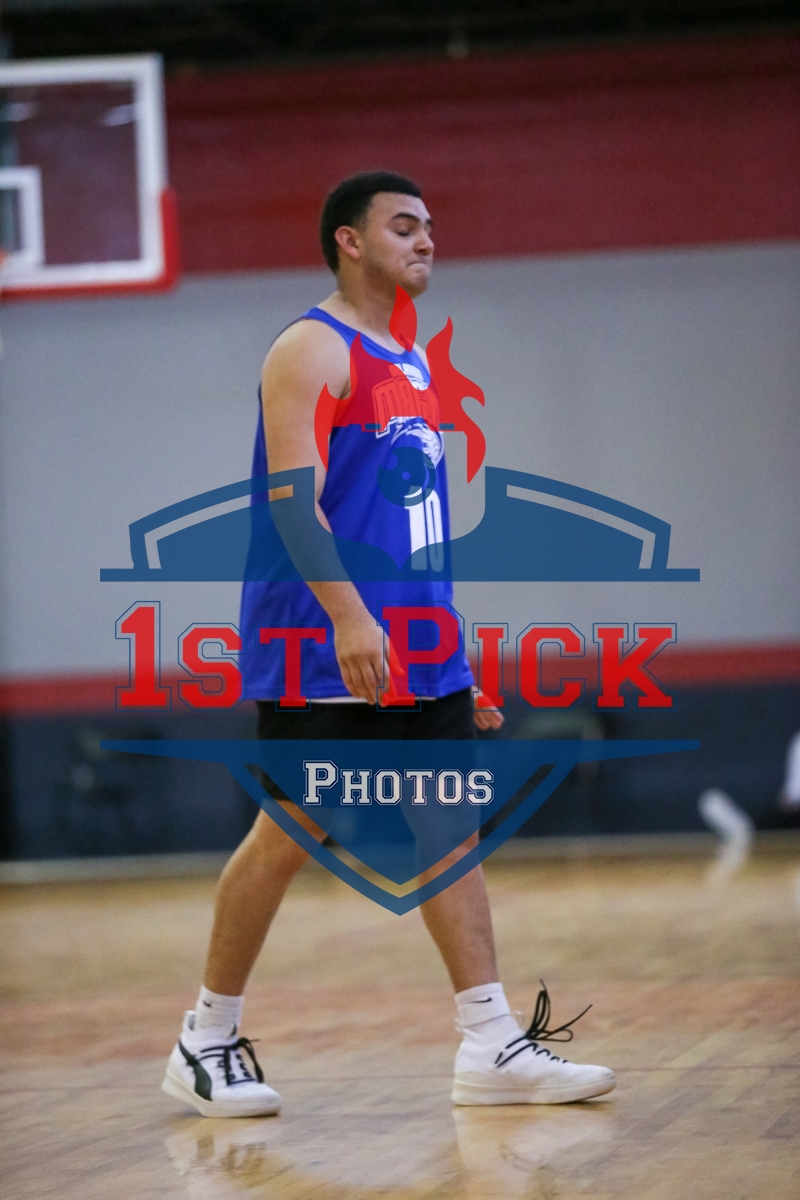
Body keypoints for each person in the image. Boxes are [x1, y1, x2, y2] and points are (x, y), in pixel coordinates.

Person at [162, 171, 615, 1117]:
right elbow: (294, 503)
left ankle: (490, 1043)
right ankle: (205, 1036)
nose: (426, 240)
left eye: (430, 226)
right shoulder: (309, 347)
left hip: (415, 643)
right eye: (404, 226)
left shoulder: (408, 359)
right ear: (349, 240)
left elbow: (411, 522)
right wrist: (349, 616)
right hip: (322, 639)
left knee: (449, 828)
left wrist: (445, 650)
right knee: (292, 831)